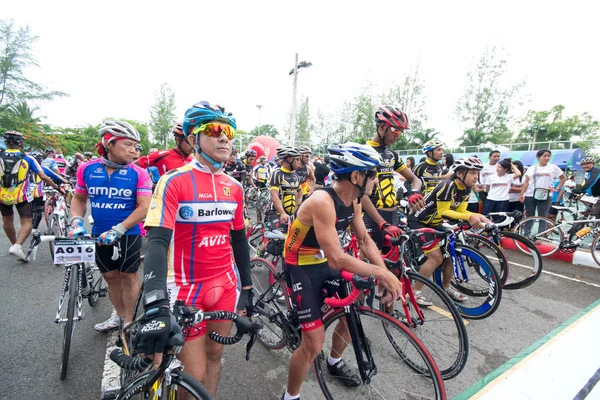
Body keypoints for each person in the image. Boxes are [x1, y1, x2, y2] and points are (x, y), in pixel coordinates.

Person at [134, 101, 253, 397]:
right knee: (194, 374)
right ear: (191, 140)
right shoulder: (173, 182)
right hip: (186, 291)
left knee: (215, 359)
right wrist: (155, 301)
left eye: (228, 131)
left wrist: (248, 287)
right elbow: (158, 243)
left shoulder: (234, 187)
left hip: (224, 287)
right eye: (213, 130)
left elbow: (238, 239)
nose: (224, 137)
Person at [282, 143, 403, 400]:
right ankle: (290, 396)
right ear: (357, 176)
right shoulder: (322, 201)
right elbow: (338, 259)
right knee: (313, 345)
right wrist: (383, 275)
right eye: (373, 174)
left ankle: (335, 361)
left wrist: (384, 273)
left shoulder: (355, 199)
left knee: (351, 315)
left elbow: (365, 241)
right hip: (301, 264)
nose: (376, 181)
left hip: (324, 259)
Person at [69, 120, 152, 331]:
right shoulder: (87, 169)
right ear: (108, 143)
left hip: (129, 232)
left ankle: (129, 321)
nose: (134, 150)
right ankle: (120, 315)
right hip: (99, 233)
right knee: (110, 277)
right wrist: (76, 221)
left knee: (129, 276)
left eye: (136, 145)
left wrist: (120, 229)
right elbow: (79, 199)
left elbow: (145, 207)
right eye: (128, 144)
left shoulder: (138, 173)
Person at [409, 157, 492, 304]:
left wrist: (475, 217)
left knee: (449, 254)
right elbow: (444, 212)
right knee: (436, 258)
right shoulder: (447, 185)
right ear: (460, 174)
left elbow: (460, 210)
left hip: (435, 223)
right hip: (419, 221)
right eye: (472, 172)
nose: (476, 176)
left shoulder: (466, 189)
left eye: (477, 173)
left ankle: (446, 288)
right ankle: (415, 291)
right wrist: (471, 216)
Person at [361, 105, 425, 251]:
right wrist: (382, 223)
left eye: (400, 132)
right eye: (395, 130)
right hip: (372, 217)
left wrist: (414, 192)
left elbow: (415, 180)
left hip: (393, 215)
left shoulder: (391, 155)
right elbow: (361, 194)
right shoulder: (364, 152)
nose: (398, 136)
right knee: (370, 266)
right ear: (383, 126)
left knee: (394, 266)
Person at [0, 132, 64, 260]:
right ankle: (17, 246)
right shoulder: (28, 158)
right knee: (27, 221)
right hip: (22, 194)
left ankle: (14, 244)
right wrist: (57, 187)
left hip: (2, 194)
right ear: (21, 144)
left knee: (7, 220)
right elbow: (43, 176)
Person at [519, 149, 567, 236]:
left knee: (543, 216)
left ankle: (540, 236)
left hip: (546, 194)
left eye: (548, 156)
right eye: (544, 156)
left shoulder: (553, 167)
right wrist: (522, 194)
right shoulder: (532, 168)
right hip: (530, 194)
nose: (547, 158)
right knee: (530, 215)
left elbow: (563, 178)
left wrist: (557, 188)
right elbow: (526, 182)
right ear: (538, 157)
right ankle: (526, 234)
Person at [268, 146, 302, 230]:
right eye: (297, 159)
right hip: (277, 213)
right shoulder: (277, 173)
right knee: (274, 241)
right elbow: (274, 196)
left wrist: (297, 206)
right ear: (289, 159)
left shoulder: (296, 176)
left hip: (291, 215)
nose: (299, 162)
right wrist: (282, 213)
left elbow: (299, 191)